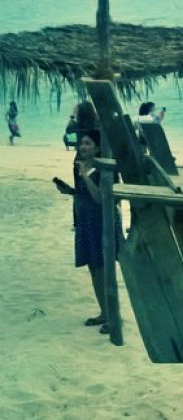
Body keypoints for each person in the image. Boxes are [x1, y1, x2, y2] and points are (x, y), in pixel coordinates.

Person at [53, 129, 119, 334]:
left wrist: (85, 176)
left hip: (101, 222)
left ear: (97, 148)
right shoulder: (80, 166)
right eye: (82, 143)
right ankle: (105, 312)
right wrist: (71, 191)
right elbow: (84, 195)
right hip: (85, 221)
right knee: (93, 268)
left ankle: (113, 316)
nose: (83, 147)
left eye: (88, 143)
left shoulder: (104, 169)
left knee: (104, 269)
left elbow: (101, 199)